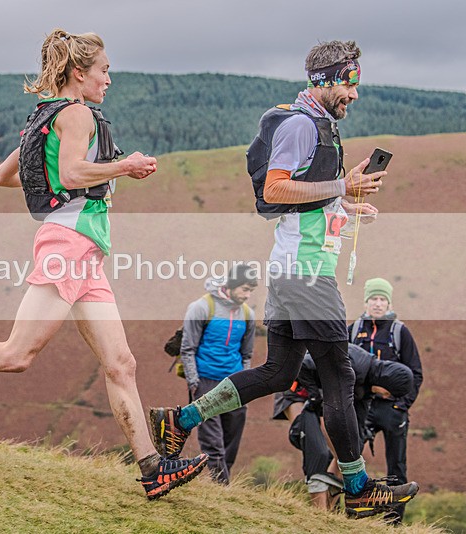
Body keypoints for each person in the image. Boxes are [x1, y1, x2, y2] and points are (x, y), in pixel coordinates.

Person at [0, 28, 207, 501]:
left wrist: (54, 179)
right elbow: (71, 173)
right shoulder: (76, 114)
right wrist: (124, 166)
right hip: (68, 245)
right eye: (104, 70)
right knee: (17, 354)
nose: (109, 79)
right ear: (79, 72)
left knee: (121, 363)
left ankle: (153, 468)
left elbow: (2, 176)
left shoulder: (46, 117)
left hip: (84, 252)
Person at [149, 39, 419, 518]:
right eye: (349, 83)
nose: (354, 94)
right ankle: (358, 489)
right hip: (306, 275)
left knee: (279, 372)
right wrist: (343, 185)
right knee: (340, 375)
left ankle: (180, 418)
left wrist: (345, 207)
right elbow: (276, 190)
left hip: (292, 270)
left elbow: (306, 201)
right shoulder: (301, 125)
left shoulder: (321, 126)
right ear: (326, 80)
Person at [273, 344, 413, 510]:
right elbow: (302, 365)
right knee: (318, 450)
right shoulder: (354, 363)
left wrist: (357, 445)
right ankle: (319, 512)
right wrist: (314, 395)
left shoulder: (368, 387)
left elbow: (357, 425)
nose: (385, 396)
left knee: (349, 453)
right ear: (386, 381)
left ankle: (332, 507)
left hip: (322, 400)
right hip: (297, 389)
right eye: (388, 393)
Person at [348, 277, 423, 522]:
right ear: (366, 302)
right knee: (349, 457)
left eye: (382, 299)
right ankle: (351, 513)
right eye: (373, 299)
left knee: (397, 466)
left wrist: (401, 405)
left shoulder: (400, 331)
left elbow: (415, 373)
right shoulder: (353, 329)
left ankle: (393, 522)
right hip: (361, 406)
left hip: (392, 409)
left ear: (389, 303)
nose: (378, 303)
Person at [179, 265, 257, 484]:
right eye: (244, 289)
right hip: (205, 381)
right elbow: (187, 348)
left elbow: (247, 354)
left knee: (231, 440)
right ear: (231, 285)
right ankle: (221, 486)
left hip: (234, 384)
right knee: (213, 442)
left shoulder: (247, 314)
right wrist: (194, 383)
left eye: (251, 291)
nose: (247, 295)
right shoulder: (202, 307)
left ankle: (221, 484)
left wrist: (245, 383)